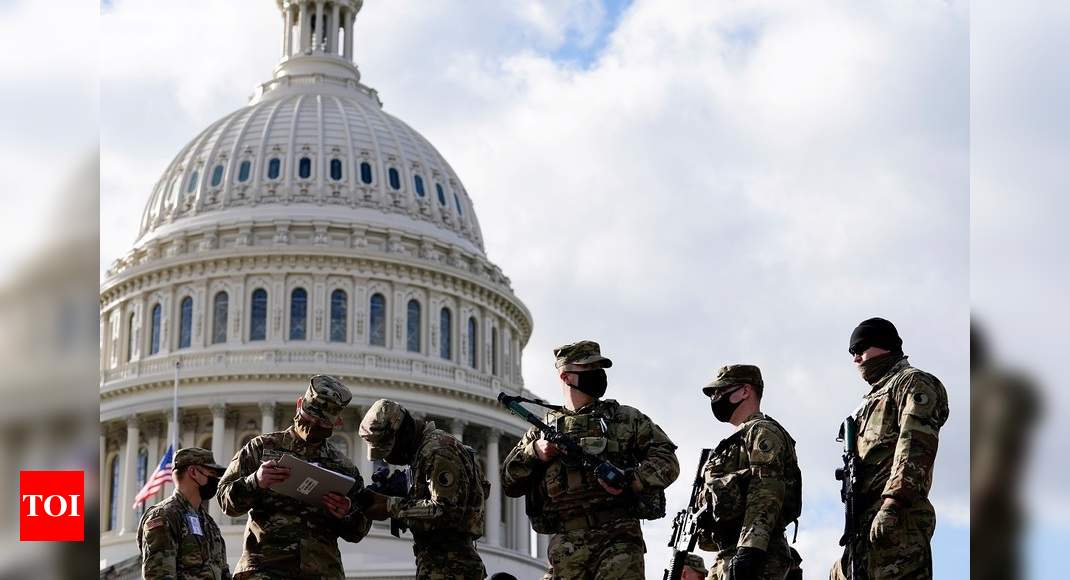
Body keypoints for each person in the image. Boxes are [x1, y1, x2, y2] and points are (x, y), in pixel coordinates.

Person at [502, 340, 680, 580]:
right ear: (566, 377)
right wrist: (535, 452)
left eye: (599, 369)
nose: (598, 375)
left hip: (618, 538)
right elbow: (508, 481)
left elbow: (666, 458)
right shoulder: (541, 431)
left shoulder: (624, 419)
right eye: (589, 369)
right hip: (566, 545)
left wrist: (633, 480)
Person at [217, 375, 371, 579]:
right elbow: (224, 500)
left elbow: (359, 528)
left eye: (322, 421)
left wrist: (346, 512)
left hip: (321, 571)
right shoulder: (261, 447)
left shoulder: (343, 468)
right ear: (300, 404)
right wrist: (255, 481)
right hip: (265, 569)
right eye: (310, 415)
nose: (313, 423)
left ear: (338, 422)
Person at [830, 318, 950, 580]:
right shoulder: (869, 402)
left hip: (897, 521)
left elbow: (915, 444)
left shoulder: (912, 383)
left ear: (884, 345)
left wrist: (893, 502)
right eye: (852, 353)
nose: (856, 359)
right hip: (863, 527)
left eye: (860, 349)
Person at [358, 398, 488, 579]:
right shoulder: (424, 452)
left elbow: (446, 510)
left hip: (451, 567)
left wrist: (391, 506)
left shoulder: (437, 451)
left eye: (388, 450)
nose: (388, 459)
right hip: (438, 562)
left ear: (402, 434)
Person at [697, 364, 803, 580]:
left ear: (745, 391)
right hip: (728, 553)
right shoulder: (732, 443)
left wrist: (751, 549)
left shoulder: (762, 431)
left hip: (758, 555)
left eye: (720, 391)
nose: (715, 398)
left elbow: (766, 489)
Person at [137, 447, 231, 579]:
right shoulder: (164, 517)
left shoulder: (209, 524)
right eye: (212, 473)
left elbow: (223, 572)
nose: (216, 480)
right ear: (193, 472)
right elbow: (160, 575)